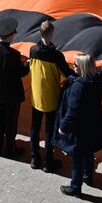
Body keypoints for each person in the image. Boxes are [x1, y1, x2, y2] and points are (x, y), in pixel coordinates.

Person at [56, 53, 102, 197]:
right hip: (93, 124)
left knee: (77, 156)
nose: (73, 66)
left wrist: (63, 127)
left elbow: (72, 111)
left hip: (80, 128)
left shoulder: (78, 86)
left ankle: (75, 186)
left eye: (75, 65)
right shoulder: (97, 79)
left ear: (81, 67)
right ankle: (88, 176)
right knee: (89, 152)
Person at [28, 19, 69, 171]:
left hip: (37, 96)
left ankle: (34, 157)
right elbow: (67, 73)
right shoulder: (56, 55)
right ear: (51, 34)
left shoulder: (33, 50)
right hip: (51, 97)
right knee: (49, 130)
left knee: (35, 127)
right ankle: (48, 161)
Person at [0, 15, 27, 158]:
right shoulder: (14, 54)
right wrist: (28, 65)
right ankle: (11, 149)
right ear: (9, 36)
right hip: (12, 92)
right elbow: (21, 72)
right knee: (11, 122)